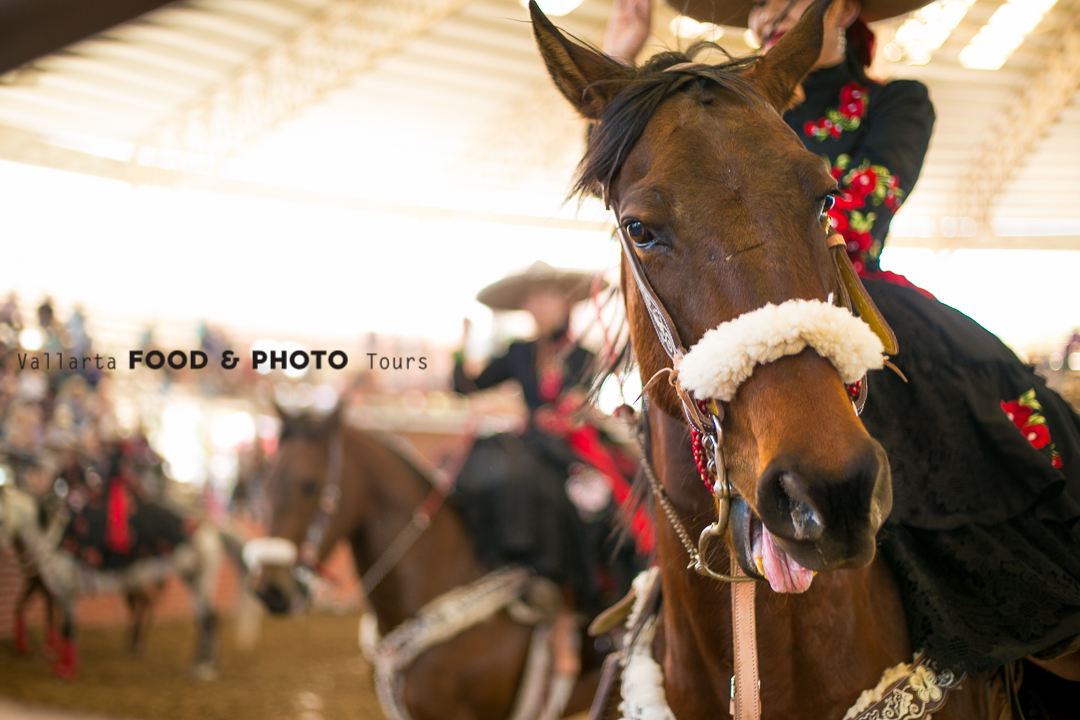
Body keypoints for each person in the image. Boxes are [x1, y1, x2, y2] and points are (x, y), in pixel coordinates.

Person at [604, 0, 1080, 683]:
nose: (769, 12)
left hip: (856, 299)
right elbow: (650, 168)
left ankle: (1019, 631)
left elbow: (858, 214)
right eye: (758, 4)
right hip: (739, 313)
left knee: (978, 446)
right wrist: (621, 58)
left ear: (842, 9)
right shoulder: (727, 108)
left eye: (787, 0)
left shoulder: (896, 104)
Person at [453, 261, 645, 675]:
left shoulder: (585, 356)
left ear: (563, 303)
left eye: (544, 299)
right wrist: (464, 344)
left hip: (573, 450)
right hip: (533, 447)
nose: (537, 308)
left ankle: (591, 606)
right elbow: (465, 386)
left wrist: (576, 412)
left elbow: (592, 404)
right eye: (530, 302)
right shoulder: (518, 353)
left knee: (604, 504)